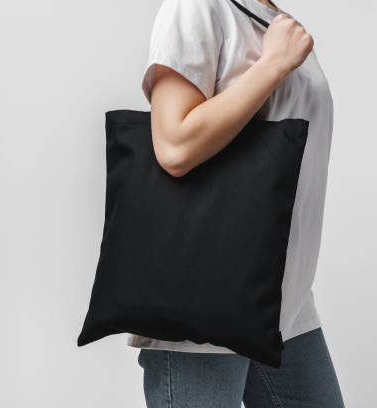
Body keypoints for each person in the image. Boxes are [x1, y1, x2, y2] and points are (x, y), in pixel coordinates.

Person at [128, 0, 344, 406]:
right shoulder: (196, 7)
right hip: (205, 301)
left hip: (281, 294)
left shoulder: (268, 13)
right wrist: (272, 66)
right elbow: (173, 146)